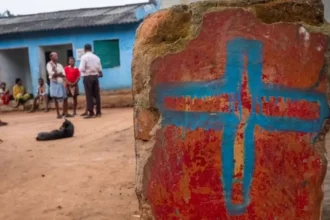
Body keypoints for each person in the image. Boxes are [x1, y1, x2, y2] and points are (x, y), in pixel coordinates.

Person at [79, 44, 102, 119]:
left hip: (87, 77)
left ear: (85, 49)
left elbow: (81, 68)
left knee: (89, 95)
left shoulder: (84, 57)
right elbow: (100, 69)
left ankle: (91, 112)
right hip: (95, 76)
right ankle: (98, 112)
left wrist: (85, 71)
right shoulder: (97, 57)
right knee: (96, 94)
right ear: (91, 49)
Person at [47, 52, 72, 119]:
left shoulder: (60, 65)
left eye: (57, 55)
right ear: (51, 57)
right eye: (55, 56)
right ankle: (58, 114)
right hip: (54, 83)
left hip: (61, 83)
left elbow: (63, 74)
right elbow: (51, 73)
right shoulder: (49, 64)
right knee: (55, 98)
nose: (57, 57)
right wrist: (58, 74)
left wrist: (57, 74)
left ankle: (65, 113)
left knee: (65, 97)